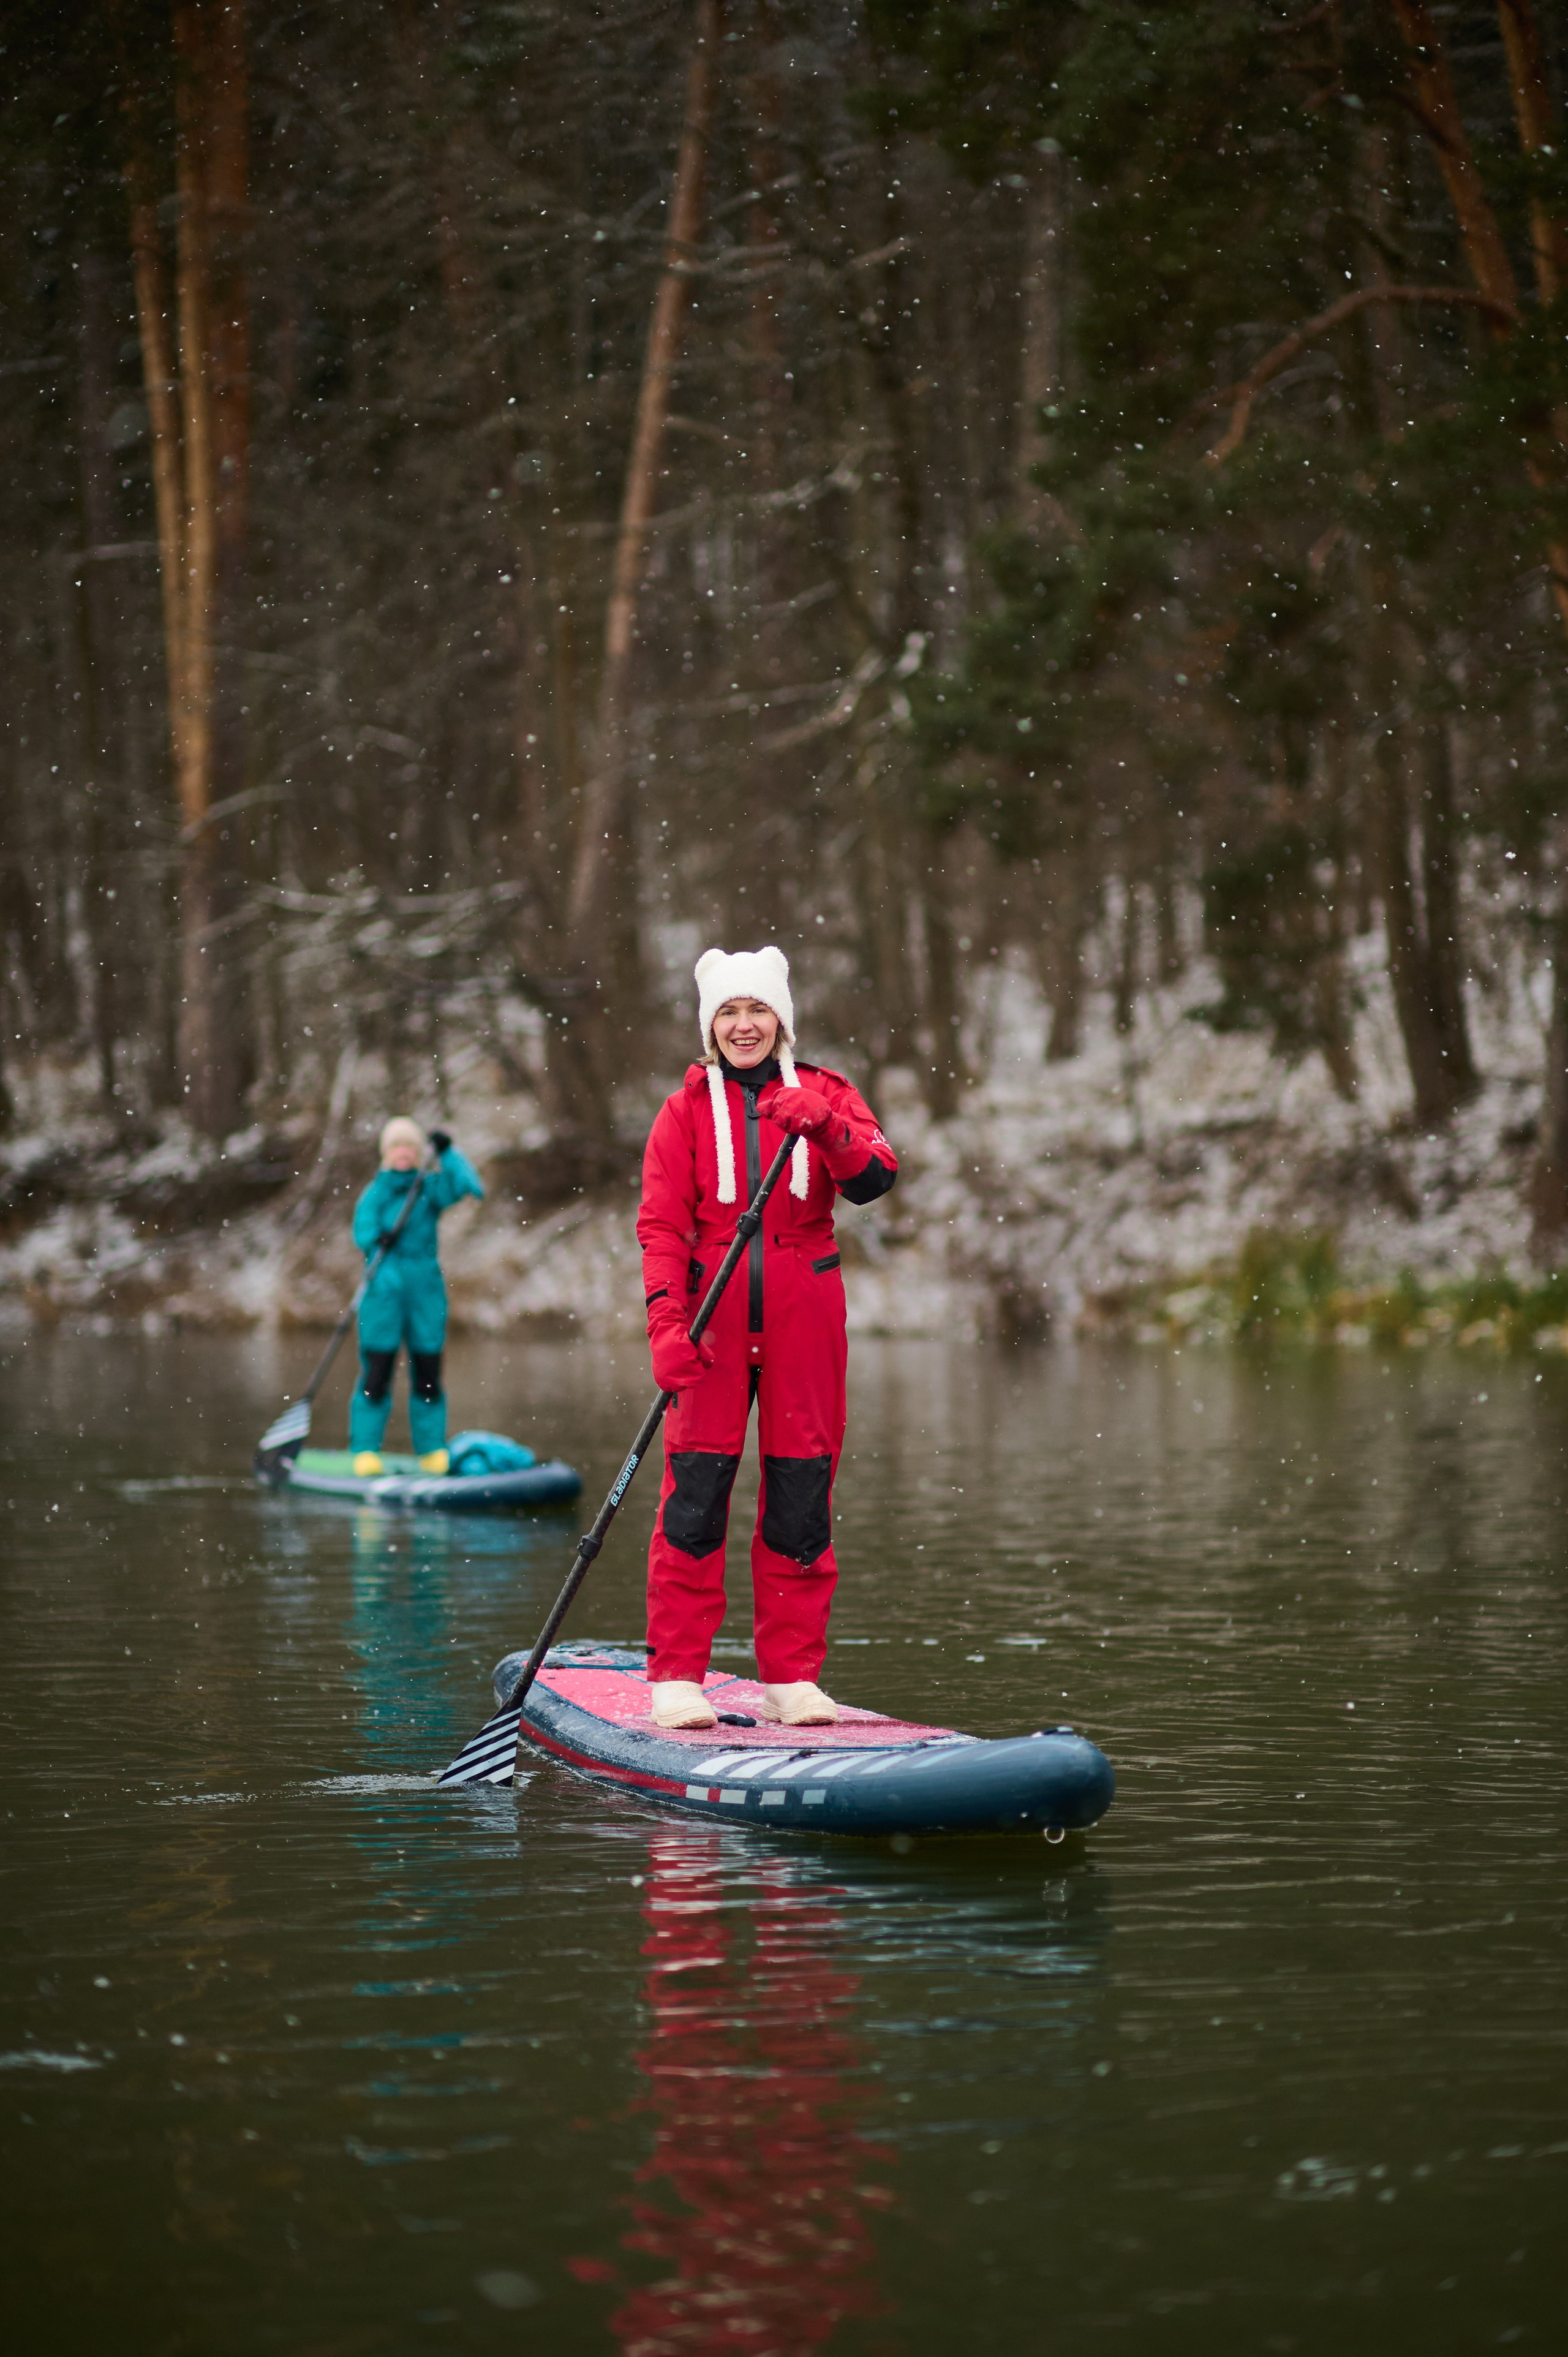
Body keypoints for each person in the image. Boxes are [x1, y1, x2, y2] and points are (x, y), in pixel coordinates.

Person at [636, 946, 897, 1730]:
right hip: (711, 1315)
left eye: (756, 1009)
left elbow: (875, 1177)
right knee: (695, 1499)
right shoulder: (682, 1110)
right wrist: (666, 1324)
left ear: (780, 1016)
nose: (742, 1024)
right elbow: (660, 1225)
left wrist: (824, 1129)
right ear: (708, 1026)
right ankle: (678, 1676)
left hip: (804, 1313)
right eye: (727, 1011)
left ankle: (791, 1679)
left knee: (800, 1494)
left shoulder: (825, 1090)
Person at [348, 1117, 484, 1475]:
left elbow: (472, 1187)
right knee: (377, 1375)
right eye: (397, 1147)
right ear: (387, 1154)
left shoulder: (428, 1190)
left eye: (410, 1146)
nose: (404, 1153)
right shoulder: (375, 1193)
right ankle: (364, 1451)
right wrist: (378, 1239)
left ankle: (430, 1451)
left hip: (426, 1294)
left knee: (427, 1374)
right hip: (382, 1296)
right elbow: (362, 1231)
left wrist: (448, 1153)